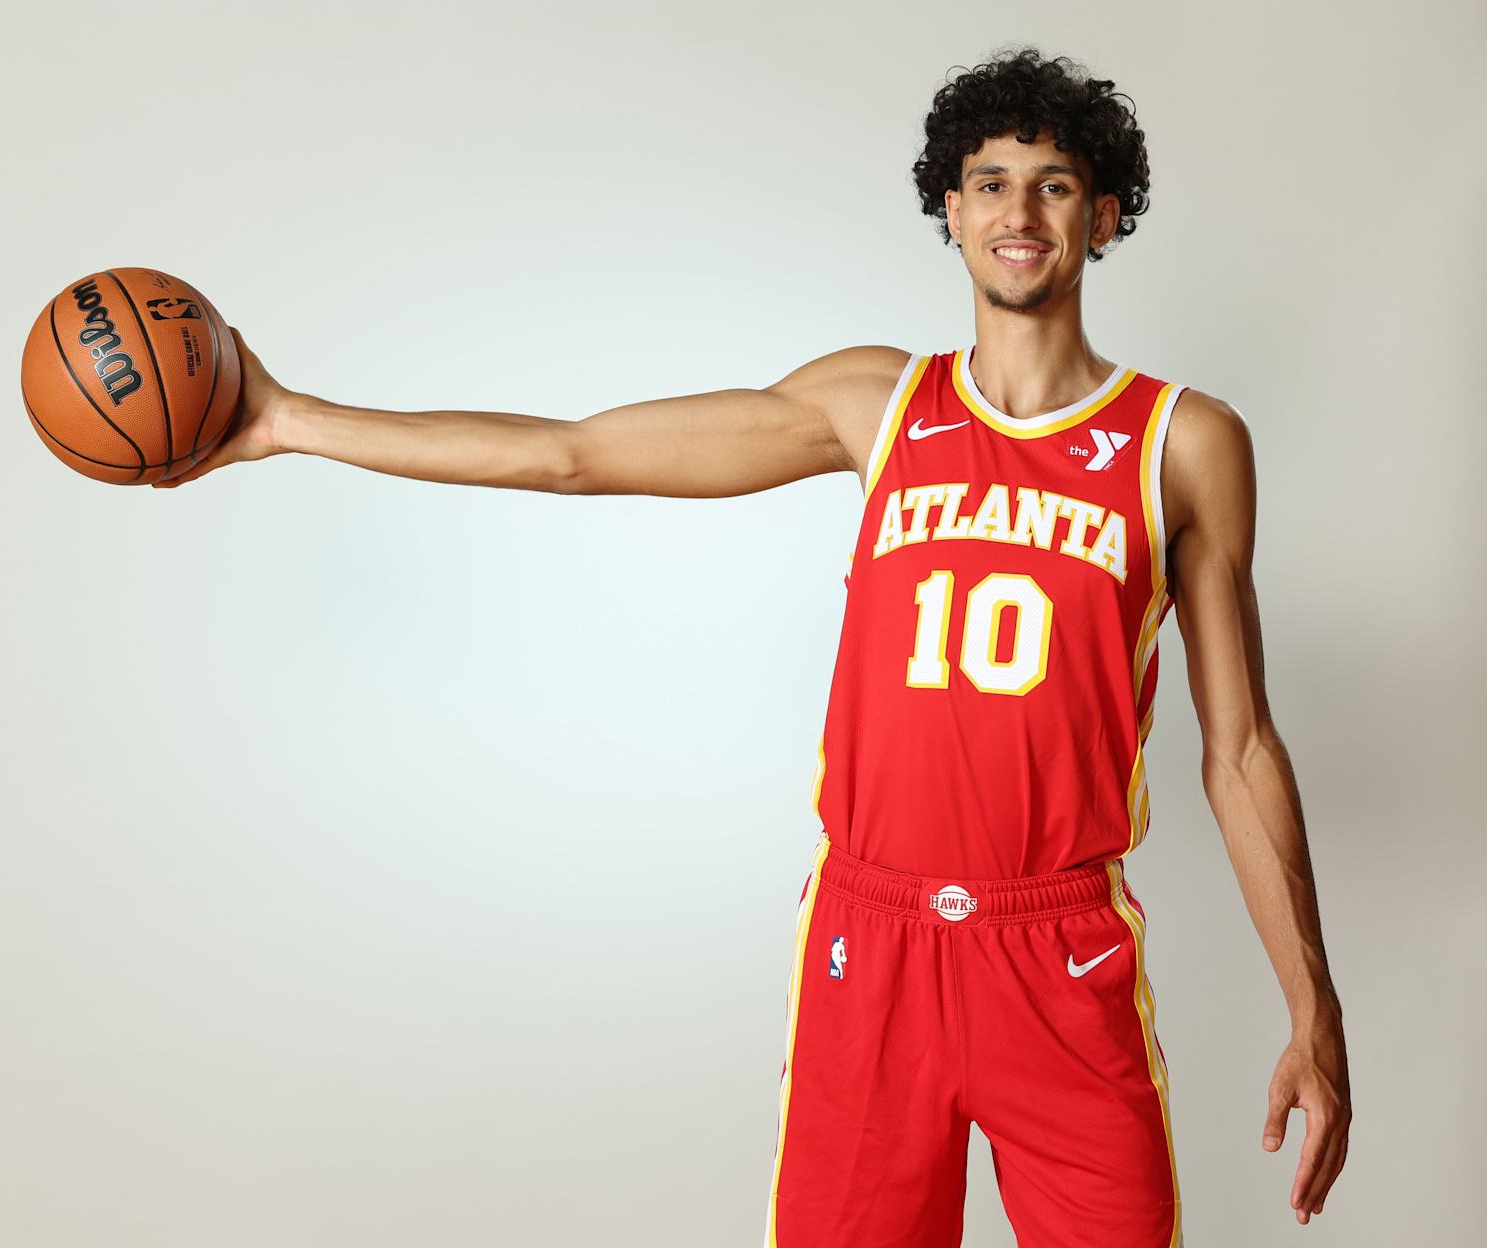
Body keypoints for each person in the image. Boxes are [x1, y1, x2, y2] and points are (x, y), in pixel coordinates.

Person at [155, 45, 1350, 1247]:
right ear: (950, 207)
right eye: (989, 181)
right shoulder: (875, 407)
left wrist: (1314, 1010)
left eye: (1051, 183)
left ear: (1103, 213)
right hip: (869, 943)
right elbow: (574, 453)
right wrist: (285, 420)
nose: (1017, 210)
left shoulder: (1181, 443)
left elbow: (1239, 750)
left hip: (1058, 947)